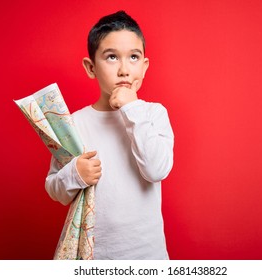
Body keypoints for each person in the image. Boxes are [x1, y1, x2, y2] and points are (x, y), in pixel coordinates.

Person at [45, 10, 174, 260]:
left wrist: (132, 107)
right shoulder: (75, 123)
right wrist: (75, 174)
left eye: (134, 57)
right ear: (91, 67)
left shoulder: (153, 114)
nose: (124, 69)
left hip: (148, 256)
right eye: (112, 57)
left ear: (145, 66)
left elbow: (156, 169)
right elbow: (53, 187)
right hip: (96, 256)